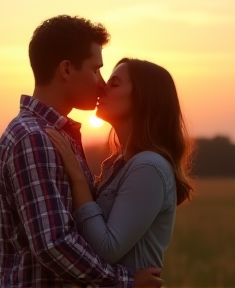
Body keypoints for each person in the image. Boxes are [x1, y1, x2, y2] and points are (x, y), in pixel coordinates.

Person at [0, 15, 163, 288]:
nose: (101, 82)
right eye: (96, 70)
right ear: (67, 70)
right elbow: (53, 243)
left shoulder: (55, 135)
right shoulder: (35, 138)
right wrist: (126, 281)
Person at [46, 58, 194, 278]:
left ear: (143, 98)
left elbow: (107, 249)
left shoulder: (148, 167)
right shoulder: (117, 165)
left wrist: (76, 176)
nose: (102, 86)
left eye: (114, 83)